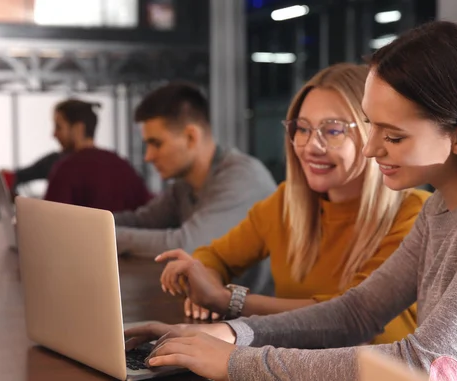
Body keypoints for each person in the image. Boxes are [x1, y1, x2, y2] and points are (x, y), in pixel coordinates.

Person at [124, 21, 457, 381]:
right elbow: (358, 312)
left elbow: (428, 366)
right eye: (371, 126)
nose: (372, 149)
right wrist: (229, 334)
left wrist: (236, 363)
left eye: (393, 135)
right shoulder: (440, 207)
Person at [154, 63, 429, 347]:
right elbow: (214, 257)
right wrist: (204, 285)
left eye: (332, 130)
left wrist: (227, 300)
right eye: (303, 129)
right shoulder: (287, 203)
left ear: (372, 133)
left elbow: (348, 317)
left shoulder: (416, 214)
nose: (311, 146)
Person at [114, 82, 277, 295]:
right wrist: (92, 225)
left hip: (257, 318)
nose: (148, 156)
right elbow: (142, 221)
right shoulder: (184, 185)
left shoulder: (242, 176)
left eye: (156, 143)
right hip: (215, 310)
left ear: (191, 137)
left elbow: (188, 246)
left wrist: (106, 238)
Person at [44, 99, 151, 213]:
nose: (54, 134)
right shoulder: (122, 165)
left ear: (78, 128)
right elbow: (147, 208)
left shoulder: (66, 170)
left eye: (58, 127)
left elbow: (50, 219)